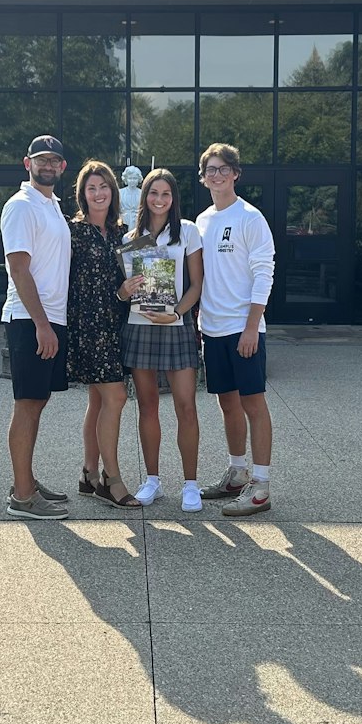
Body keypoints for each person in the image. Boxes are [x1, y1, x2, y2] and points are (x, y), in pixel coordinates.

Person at [195, 142, 275, 516]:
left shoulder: (250, 218)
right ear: (203, 177)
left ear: (235, 174)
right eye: (210, 170)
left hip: (244, 329)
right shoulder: (202, 221)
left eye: (223, 169)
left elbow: (264, 274)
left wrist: (251, 327)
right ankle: (237, 473)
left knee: (253, 403)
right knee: (226, 402)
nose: (217, 175)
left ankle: (261, 486)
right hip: (211, 329)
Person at [119, 168, 205, 511]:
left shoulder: (187, 232)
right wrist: (123, 291)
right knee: (147, 406)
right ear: (145, 197)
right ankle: (152, 480)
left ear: (174, 198)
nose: (159, 199)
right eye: (153, 193)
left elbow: (197, 284)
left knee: (186, 404)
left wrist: (177, 314)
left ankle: (191, 484)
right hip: (139, 325)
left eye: (165, 194)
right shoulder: (131, 237)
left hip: (176, 324)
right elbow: (126, 290)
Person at [0, 135, 73, 520]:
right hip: (30, 319)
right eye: (41, 159)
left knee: (37, 402)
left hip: (50, 319)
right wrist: (42, 325)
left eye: (54, 161)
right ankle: (23, 498)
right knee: (27, 404)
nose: (48, 166)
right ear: (26, 163)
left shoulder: (52, 206)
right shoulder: (21, 206)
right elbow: (19, 268)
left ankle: (24, 479)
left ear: (62, 167)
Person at [67, 160, 143, 509]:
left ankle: (87, 473)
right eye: (91, 188)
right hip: (89, 327)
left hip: (119, 327)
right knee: (115, 398)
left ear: (113, 192)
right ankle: (111, 480)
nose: (98, 194)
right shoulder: (73, 232)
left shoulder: (122, 233)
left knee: (98, 400)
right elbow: (76, 288)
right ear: (83, 194)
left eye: (104, 187)